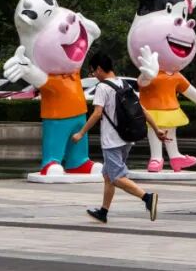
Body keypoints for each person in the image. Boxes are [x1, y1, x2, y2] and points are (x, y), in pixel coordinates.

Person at [72, 52, 170, 223]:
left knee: (117, 177)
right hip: (126, 138)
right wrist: (156, 129)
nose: (93, 74)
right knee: (108, 176)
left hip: (112, 141)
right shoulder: (123, 84)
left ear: (99, 69)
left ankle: (147, 198)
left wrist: (81, 133)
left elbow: (97, 113)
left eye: (93, 71)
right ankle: (103, 212)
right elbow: (142, 110)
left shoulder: (102, 87)